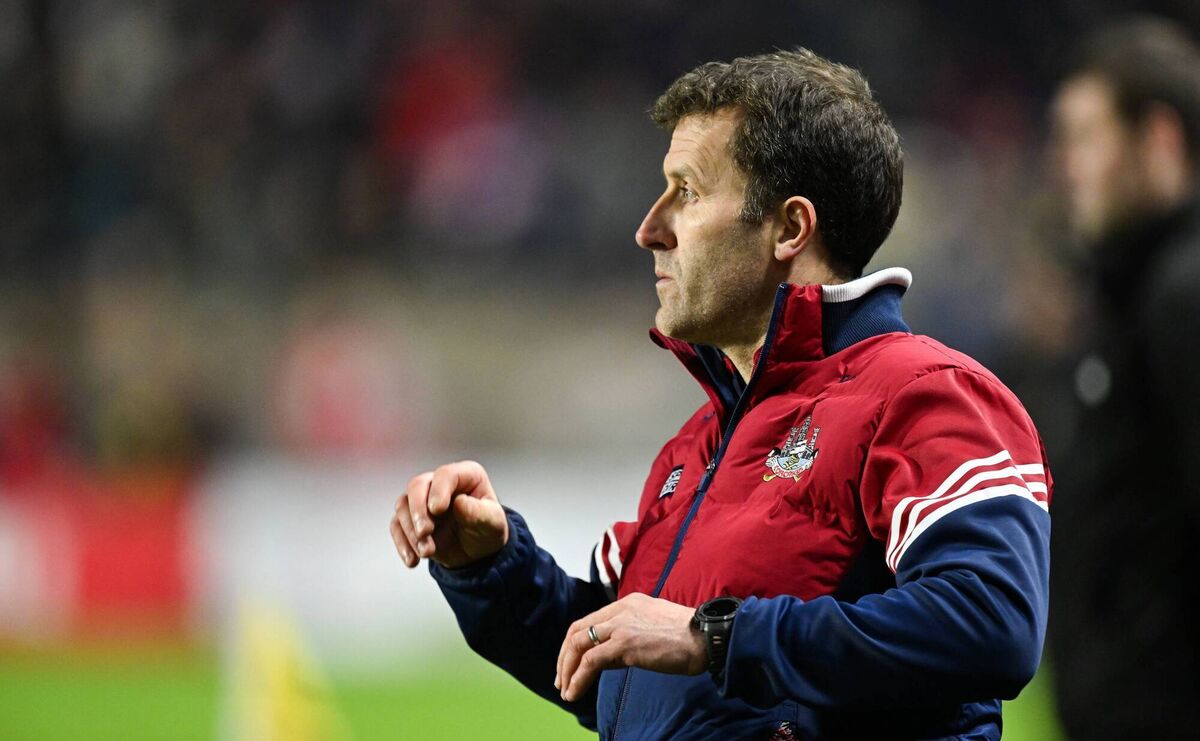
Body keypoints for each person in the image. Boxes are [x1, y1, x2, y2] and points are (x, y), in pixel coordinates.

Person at [390, 48, 1052, 739]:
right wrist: (493, 568)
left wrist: (715, 635)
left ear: (790, 228)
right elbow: (628, 673)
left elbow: (992, 620)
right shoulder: (697, 443)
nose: (650, 228)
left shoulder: (930, 395)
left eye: (690, 191)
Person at [1048, 18, 1200, 738]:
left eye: (1086, 137)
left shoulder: (1183, 294)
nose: (1067, 166)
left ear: (1160, 140)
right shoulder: (1133, 296)